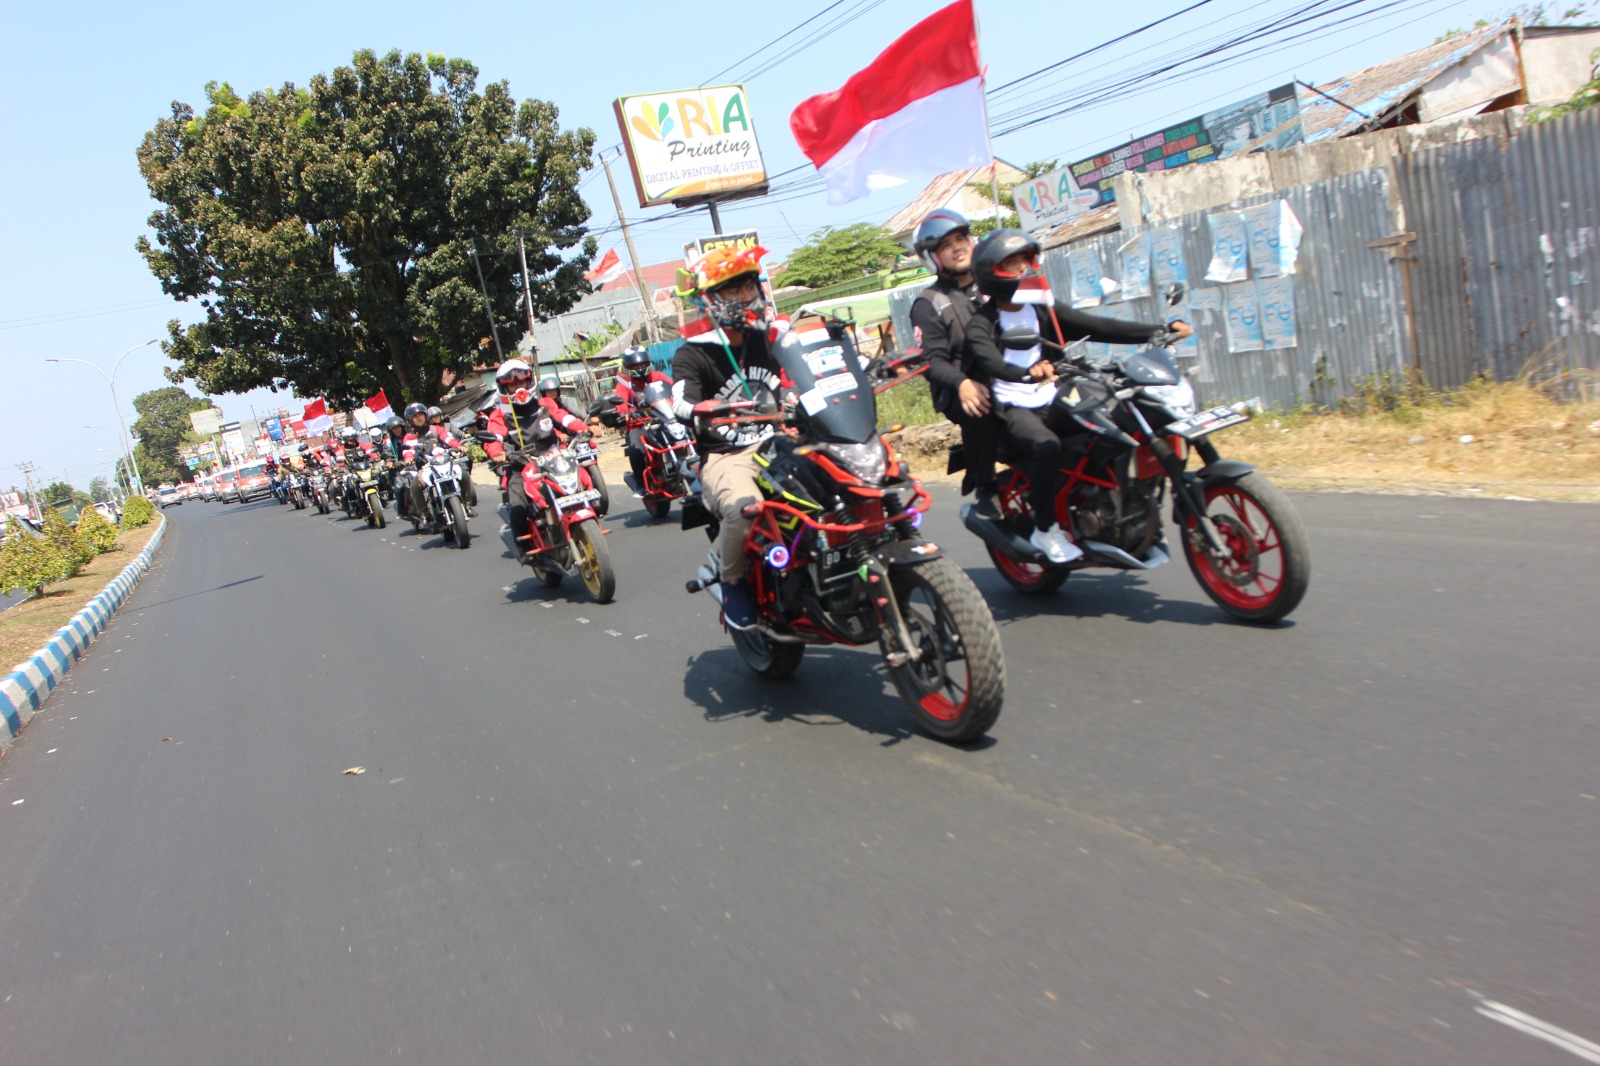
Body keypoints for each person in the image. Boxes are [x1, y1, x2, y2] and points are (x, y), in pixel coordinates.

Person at [963, 229, 1192, 564]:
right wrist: (1028, 372)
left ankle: (1118, 504)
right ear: (992, 272)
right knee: (1046, 445)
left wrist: (1158, 331)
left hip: (1054, 394)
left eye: (1025, 259)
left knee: (1115, 427)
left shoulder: (1042, 308)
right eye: (1012, 262)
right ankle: (1045, 530)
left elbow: (1096, 325)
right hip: (1014, 404)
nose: (1023, 268)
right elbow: (992, 363)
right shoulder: (982, 323)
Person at [670, 244, 788, 630]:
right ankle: (732, 581)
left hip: (780, 441)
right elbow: (680, 401)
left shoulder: (771, 336)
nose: (745, 296)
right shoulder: (692, 354)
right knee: (746, 508)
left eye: (748, 286)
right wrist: (701, 408)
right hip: (728, 455)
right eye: (732, 289)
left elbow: (808, 368)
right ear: (710, 300)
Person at [908, 208, 1001, 517]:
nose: (958, 248)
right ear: (932, 256)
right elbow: (932, 361)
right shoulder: (929, 303)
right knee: (981, 405)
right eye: (946, 245)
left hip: (1008, 373)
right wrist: (961, 383)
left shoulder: (994, 284)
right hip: (964, 386)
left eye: (961, 239)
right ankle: (986, 487)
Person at [482, 359, 588, 560]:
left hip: (554, 459)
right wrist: (496, 452)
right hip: (521, 466)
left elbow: (564, 417)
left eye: (521, 382)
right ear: (504, 388)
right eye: (512, 385)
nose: (518, 388)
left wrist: (584, 427)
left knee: (583, 480)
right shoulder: (501, 414)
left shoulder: (545, 404)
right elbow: (493, 437)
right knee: (518, 506)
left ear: (529, 381)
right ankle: (523, 547)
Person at [612, 346, 673, 485]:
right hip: (639, 425)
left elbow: (673, 388)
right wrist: (625, 413)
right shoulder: (625, 384)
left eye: (643, 364)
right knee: (636, 450)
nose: (640, 368)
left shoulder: (658, 376)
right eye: (635, 366)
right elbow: (621, 403)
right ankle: (641, 484)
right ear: (628, 367)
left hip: (663, 420)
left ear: (648, 363)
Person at [400, 402, 470, 519]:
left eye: (420, 415)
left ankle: (467, 505)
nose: (419, 418)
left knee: (464, 475)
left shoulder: (436, 429)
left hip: (445, 462)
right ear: (410, 420)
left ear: (425, 415)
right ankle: (425, 515)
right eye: (415, 416)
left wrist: (459, 446)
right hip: (425, 467)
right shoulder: (410, 436)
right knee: (415, 487)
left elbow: (448, 438)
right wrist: (409, 458)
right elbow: (408, 450)